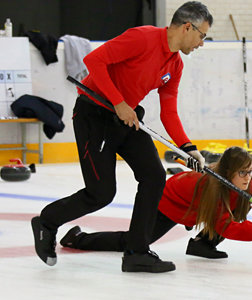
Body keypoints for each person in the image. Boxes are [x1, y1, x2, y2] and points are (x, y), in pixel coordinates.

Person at [31, 1, 213, 274]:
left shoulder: (174, 65)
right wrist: (118, 102)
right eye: (202, 36)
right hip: (96, 115)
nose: (201, 43)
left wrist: (189, 148)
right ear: (188, 27)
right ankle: (47, 221)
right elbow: (93, 61)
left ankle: (136, 252)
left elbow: (169, 112)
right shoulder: (142, 37)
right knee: (101, 193)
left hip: (127, 118)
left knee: (154, 177)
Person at [59, 147, 252, 261]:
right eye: (242, 173)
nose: (248, 177)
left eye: (250, 171)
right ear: (228, 172)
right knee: (134, 242)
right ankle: (77, 239)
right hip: (169, 202)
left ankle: (202, 245)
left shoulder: (246, 183)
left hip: (195, 204)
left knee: (241, 205)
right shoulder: (211, 188)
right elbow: (225, 226)